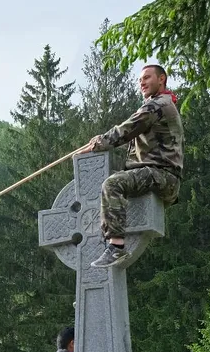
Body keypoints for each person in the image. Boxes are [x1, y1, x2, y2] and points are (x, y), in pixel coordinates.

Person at [72, 64, 183, 268]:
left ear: (162, 79)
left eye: (147, 77)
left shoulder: (157, 105)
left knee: (112, 184)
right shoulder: (158, 104)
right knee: (113, 182)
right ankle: (113, 240)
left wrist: (98, 143)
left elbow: (126, 130)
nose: (142, 82)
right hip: (156, 174)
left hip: (162, 175)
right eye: (140, 79)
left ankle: (116, 248)